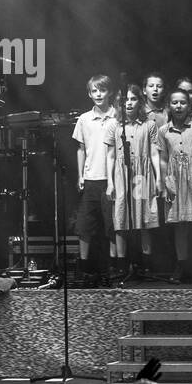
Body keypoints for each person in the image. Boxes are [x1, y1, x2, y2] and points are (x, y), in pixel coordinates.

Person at [159, 89, 192, 283]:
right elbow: (163, 158)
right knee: (179, 226)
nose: (179, 106)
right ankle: (181, 265)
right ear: (169, 106)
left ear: (190, 106)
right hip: (175, 183)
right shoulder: (164, 131)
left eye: (183, 102)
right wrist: (164, 185)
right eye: (175, 103)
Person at [107, 85, 160, 278]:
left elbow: (154, 152)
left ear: (140, 101)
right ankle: (121, 265)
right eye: (124, 100)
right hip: (122, 175)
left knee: (143, 218)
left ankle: (144, 265)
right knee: (120, 219)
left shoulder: (149, 124)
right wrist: (111, 183)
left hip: (141, 175)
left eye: (133, 99)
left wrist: (159, 178)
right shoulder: (114, 125)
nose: (128, 103)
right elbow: (111, 155)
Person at [73, 75, 117, 286]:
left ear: (110, 92)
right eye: (94, 91)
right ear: (89, 94)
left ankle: (112, 268)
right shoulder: (84, 119)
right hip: (91, 178)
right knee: (85, 226)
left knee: (111, 226)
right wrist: (80, 174)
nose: (99, 94)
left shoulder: (118, 117)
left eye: (102, 90)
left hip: (111, 179)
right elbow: (81, 149)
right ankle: (85, 268)